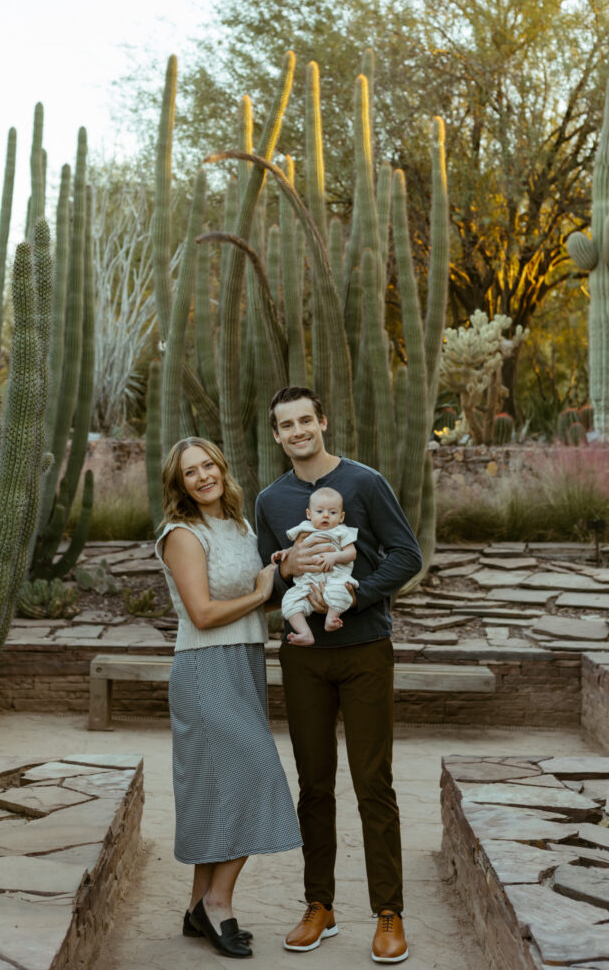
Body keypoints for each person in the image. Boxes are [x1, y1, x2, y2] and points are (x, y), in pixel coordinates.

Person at [255, 387, 422, 964]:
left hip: (366, 650)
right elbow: (268, 583)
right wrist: (286, 574)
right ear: (276, 435)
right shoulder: (271, 501)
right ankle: (319, 907)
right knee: (315, 785)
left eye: (307, 419)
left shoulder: (366, 483)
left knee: (374, 783)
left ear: (322, 421)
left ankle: (389, 912)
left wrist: (356, 596)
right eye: (287, 424)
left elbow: (406, 554)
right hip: (303, 659)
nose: (299, 430)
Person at [156, 436, 303, 960]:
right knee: (257, 773)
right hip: (204, 668)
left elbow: (256, 580)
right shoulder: (182, 534)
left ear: (222, 468)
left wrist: (280, 572)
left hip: (243, 663)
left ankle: (197, 906)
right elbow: (202, 613)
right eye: (189, 472)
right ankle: (219, 902)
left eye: (208, 466)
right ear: (180, 485)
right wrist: (264, 595)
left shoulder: (240, 527)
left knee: (216, 787)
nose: (202, 477)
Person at [271, 486, 358, 644]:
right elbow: (297, 548)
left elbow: (351, 553)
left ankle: (331, 619)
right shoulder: (304, 528)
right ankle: (305, 633)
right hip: (307, 583)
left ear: (341, 516)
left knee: (341, 593)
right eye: (319, 512)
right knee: (289, 602)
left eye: (332, 512)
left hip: (334, 578)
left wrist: (335, 557)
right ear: (309, 514)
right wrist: (285, 553)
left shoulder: (341, 532)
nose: (326, 515)